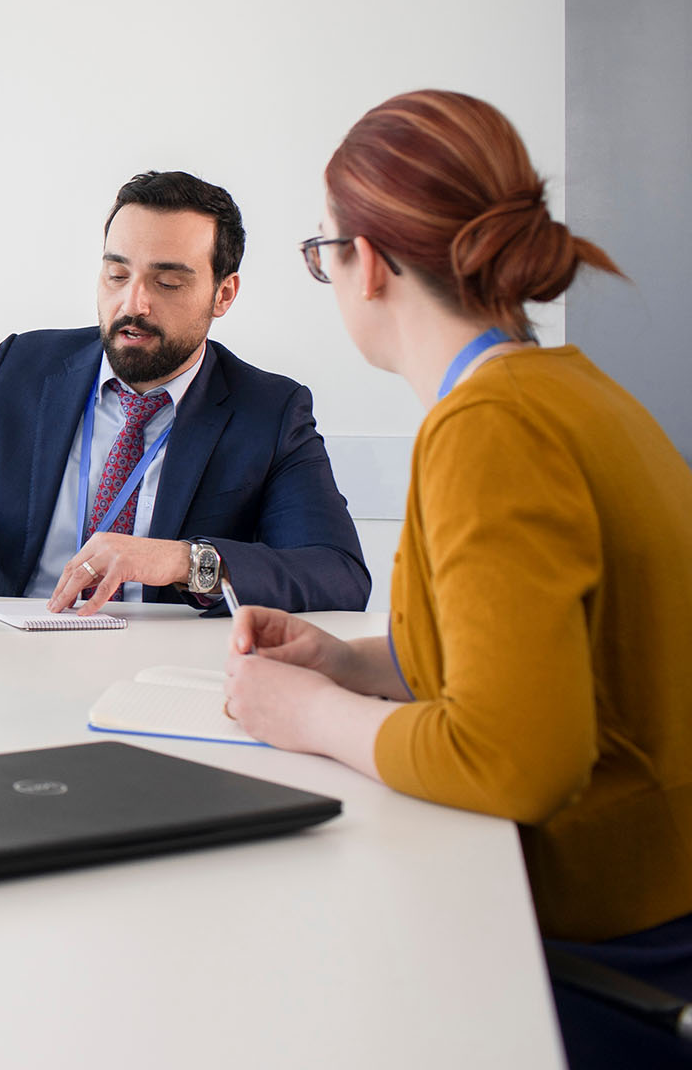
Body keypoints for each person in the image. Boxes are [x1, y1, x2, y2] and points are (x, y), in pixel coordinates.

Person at [221, 90, 692, 1068]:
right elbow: (545, 653)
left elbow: (514, 757)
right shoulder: (568, 390)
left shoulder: (488, 428)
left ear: (369, 263)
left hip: (608, 954)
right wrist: (355, 664)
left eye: (322, 252)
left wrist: (308, 713)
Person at [0, 170, 370, 613]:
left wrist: (184, 560)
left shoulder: (269, 411)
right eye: (117, 274)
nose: (135, 304)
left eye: (168, 283)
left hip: (157, 663)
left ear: (223, 294)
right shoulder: (22, 369)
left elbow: (338, 574)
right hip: (6, 644)